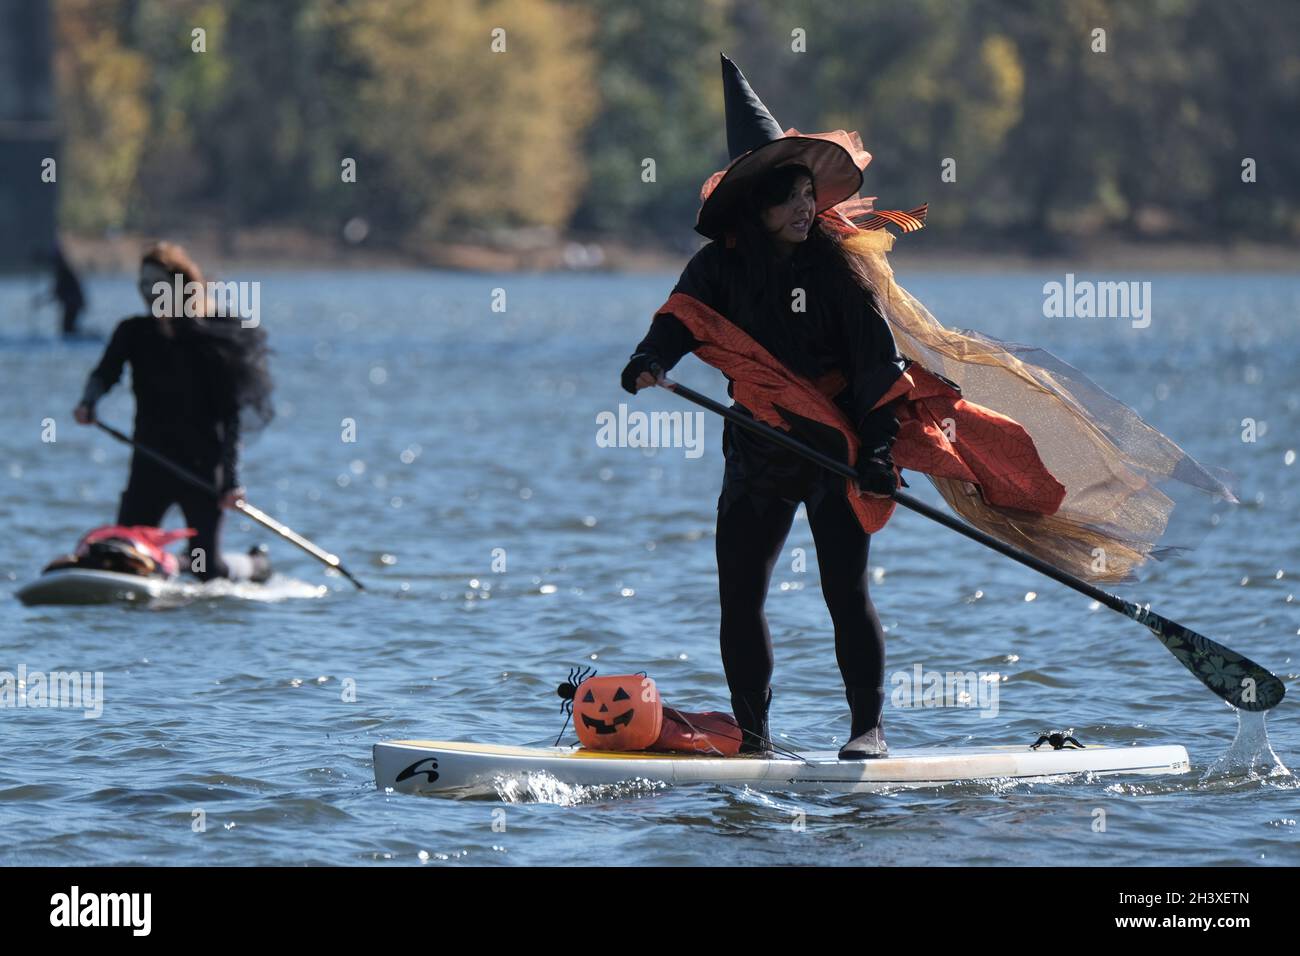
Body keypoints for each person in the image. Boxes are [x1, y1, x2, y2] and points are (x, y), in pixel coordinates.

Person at [622, 56, 913, 759]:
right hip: (757, 447)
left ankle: (866, 732)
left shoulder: (839, 270)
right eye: (787, 198)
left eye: (808, 194)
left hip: (837, 447)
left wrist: (877, 453)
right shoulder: (719, 265)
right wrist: (648, 360)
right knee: (740, 598)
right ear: (754, 208)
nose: (804, 209)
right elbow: (680, 320)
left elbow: (880, 367)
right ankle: (753, 740)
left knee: (844, 592)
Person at [73, 242, 274, 582]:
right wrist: (88, 402)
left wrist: (232, 482)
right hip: (150, 462)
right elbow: (105, 374)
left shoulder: (209, 340)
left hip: (201, 469)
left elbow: (231, 415)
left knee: (205, 570)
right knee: (124, 554)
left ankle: (256, 565)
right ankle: (165, 561)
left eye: (155, 283)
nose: (147, 291)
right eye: (142, 283)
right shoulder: (132, 332)